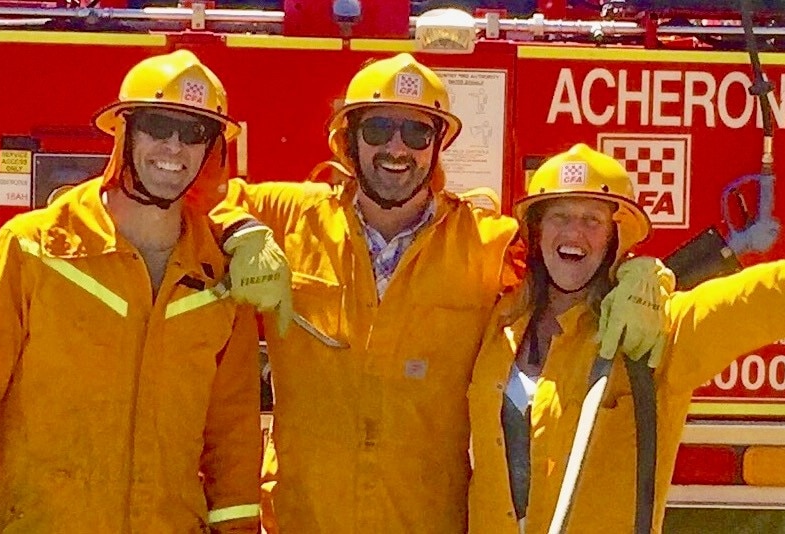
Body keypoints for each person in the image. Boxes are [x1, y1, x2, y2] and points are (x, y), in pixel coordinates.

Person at [211, 54, 675, 534]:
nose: (397, 148)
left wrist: (646, 275)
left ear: (436, 146)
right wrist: (242, 231)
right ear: (348, 140)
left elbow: (573, 262)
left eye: (417, 133)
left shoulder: (489, 243)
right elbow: (199, 203)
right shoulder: (285, 217)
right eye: (379, 129)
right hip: (303, 521)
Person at [0, 50, 263, 533]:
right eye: (157, 124)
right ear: (124, 133)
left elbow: (233, 438)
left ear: (211, 149)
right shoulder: (33, 250)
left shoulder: (218, 275)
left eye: (194, 133)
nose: (174, 147)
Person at [467, 143, 785, 534]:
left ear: (615, 238)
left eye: (592, 221)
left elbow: (765, 297)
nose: (574, 232)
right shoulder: (497, 322)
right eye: (559, 217)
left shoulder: (655, 329)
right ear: (535, 232)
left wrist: (651, 276)